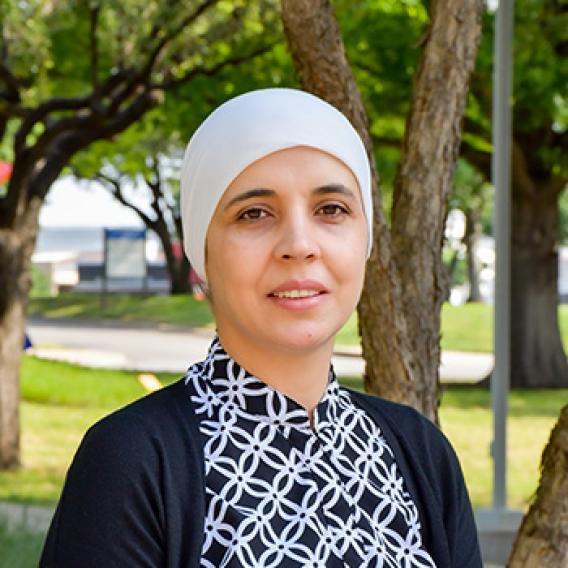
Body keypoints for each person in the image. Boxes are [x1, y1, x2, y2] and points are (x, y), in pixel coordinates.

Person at [40, 88, 482, 567]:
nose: (299, 244)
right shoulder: (133, 461)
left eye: (331, 209)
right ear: (201, 252)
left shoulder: (420, 454)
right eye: (254, 213)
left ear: (366, 240)